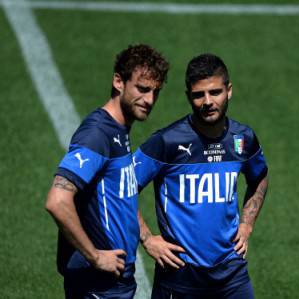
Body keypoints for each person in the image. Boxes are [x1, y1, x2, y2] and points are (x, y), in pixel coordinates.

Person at [134, 53, 269, 299]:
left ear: (229, 91)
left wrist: (247, 224)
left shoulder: (244, 139)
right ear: (189, 97)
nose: (207, 101)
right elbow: (121, 187)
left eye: (214, 92)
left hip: (232, 275)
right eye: (198, 95)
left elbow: (259, 177)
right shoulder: (166, 142)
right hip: (180, 277)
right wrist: (147, 238)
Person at [45, 44, 169, 299]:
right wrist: (95, 256)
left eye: (155, 92)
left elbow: (119, 195)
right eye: (142, 89)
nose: (149, 100)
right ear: (118, 82)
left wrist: (146, 238)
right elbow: (57, 201)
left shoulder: (118, 131)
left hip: (113, 283)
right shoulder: (97, 135)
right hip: (96, 284)